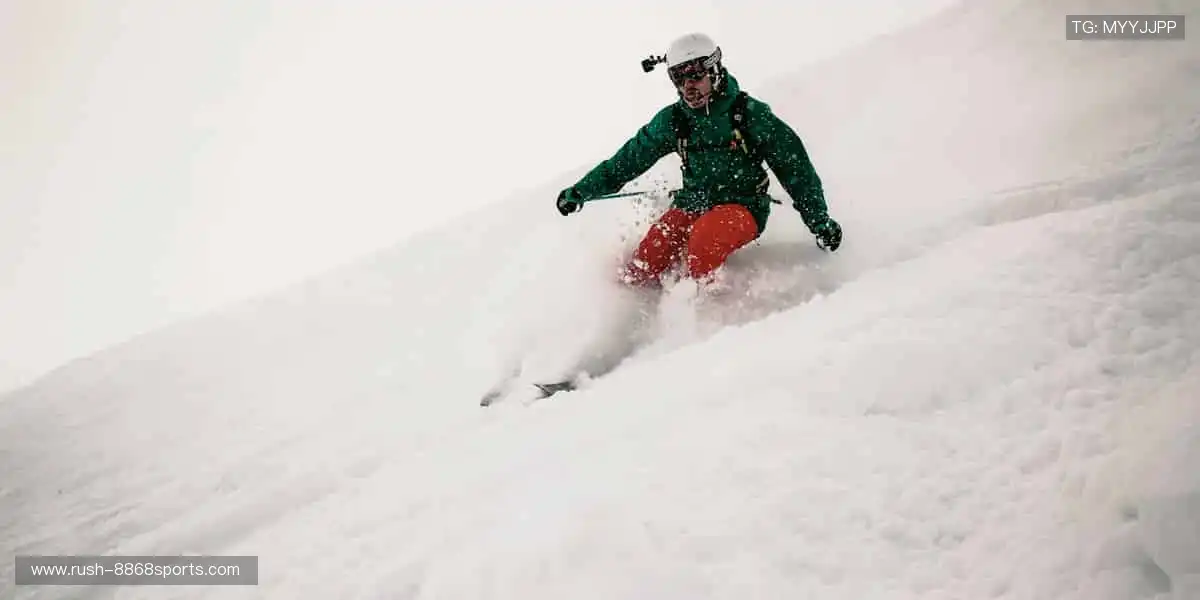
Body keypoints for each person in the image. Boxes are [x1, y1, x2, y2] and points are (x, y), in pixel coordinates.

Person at [555, 32, 842, 290]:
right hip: (693, 201)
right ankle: (633, 321)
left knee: (703, 242)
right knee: (650, 255)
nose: (687, 86)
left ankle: (706, 321)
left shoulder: (749, 114)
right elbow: (627, 161)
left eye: (694, 75)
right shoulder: (675, 120)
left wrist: (819, 222)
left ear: (714, 70)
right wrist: (582, 190)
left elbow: (795, 170)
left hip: (744, 205)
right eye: (678, 78)